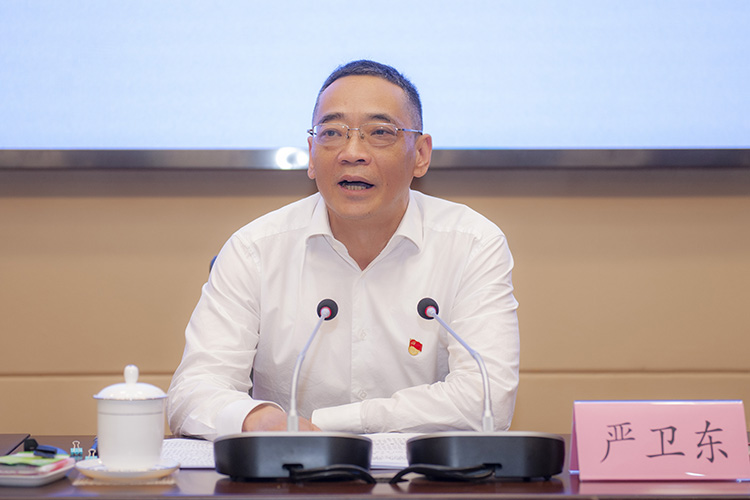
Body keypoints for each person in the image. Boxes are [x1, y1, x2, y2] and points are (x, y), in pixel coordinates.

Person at [167, 60, 520, 441]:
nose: (352, 152)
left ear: (420, 154)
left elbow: (487, 399)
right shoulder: (254, 250)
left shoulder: (472, 244)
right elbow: (193, 391)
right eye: (332, 133)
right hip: (292, 470)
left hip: (423, 474)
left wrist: (331, 423)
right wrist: (256, 419)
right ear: (311, 154)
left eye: (380, 132)